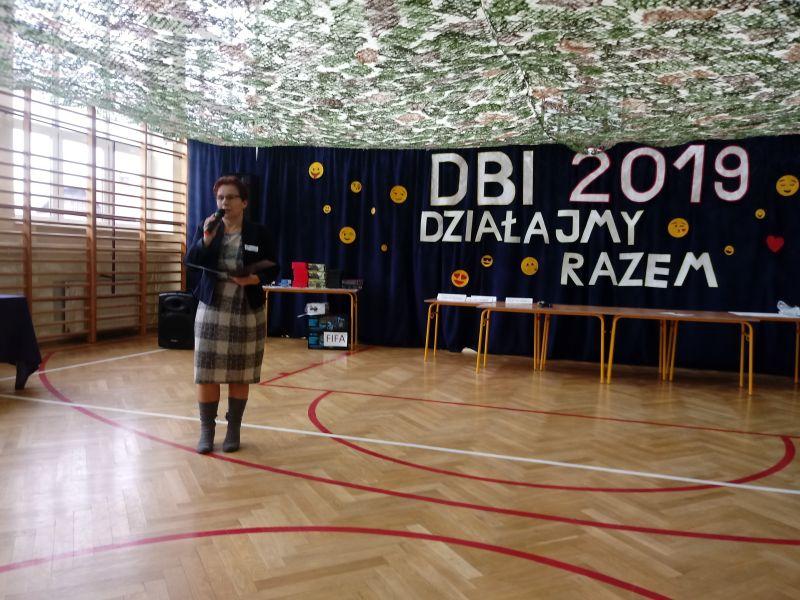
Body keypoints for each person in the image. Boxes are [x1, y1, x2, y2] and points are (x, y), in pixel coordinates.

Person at [185, 175, 278, 454]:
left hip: (246, 309)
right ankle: (207, 430)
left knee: (240, 373)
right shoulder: (208, 227)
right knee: (206, 373)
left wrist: (253, 279)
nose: (224, 202)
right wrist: (205, 239)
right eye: (220, 198)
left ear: (244, 202)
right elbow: (191, 261)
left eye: (230, 197)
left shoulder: (259, 232)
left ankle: (233, 429)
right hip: (212, 309)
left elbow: (274, 267)